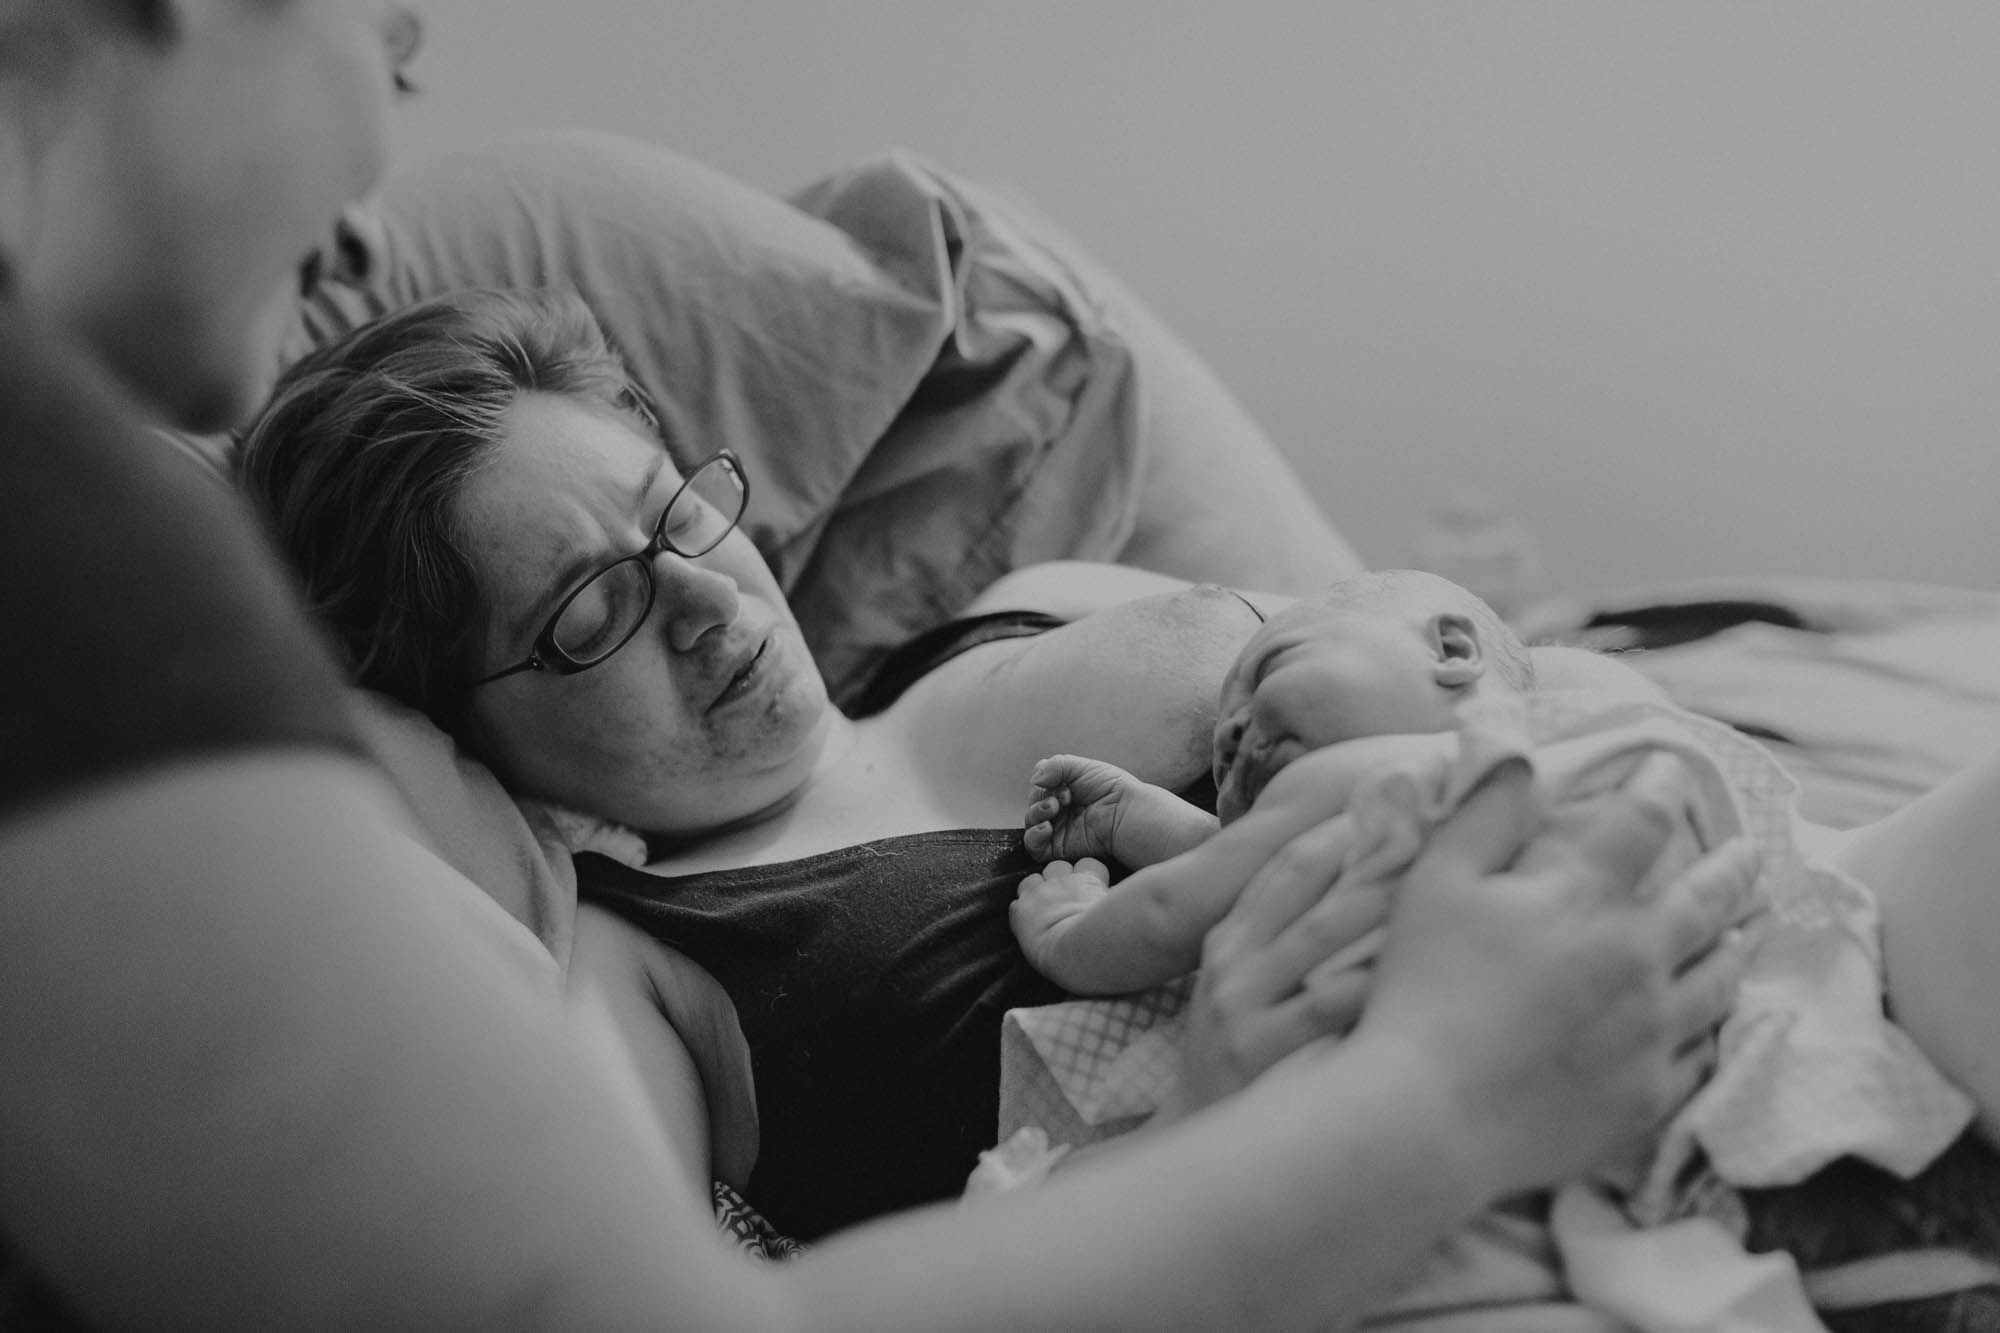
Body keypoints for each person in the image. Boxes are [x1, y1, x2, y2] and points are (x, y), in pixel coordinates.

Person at [0, 4, 1756, 1328]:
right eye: (591, 615)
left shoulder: (1046, 597)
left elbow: (1482, 670)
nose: (703, 604)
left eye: (679, 519)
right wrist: (1395, 1100)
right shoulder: (641, 965)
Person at [1013, 569, 1537, 993]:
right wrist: (1130, 817)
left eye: (1267, 671)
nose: (1229, 734)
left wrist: (1065, 933)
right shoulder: (1526, 768)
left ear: (1451, 650)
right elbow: (1259, 870)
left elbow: (1168, 915)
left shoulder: (1370, 774)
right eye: (1221, 765)